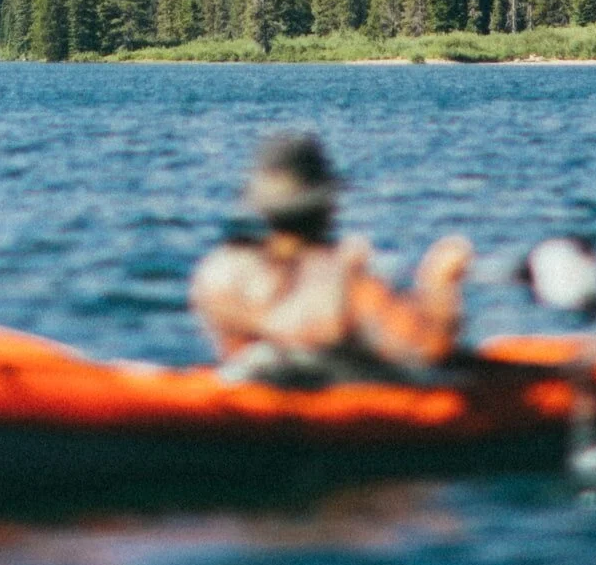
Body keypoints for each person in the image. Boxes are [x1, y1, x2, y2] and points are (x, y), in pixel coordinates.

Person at [189, 131, 473, 385]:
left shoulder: (220, 269)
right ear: (326, 206)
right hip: (342, 397)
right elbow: (429, 349)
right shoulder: (344, 273)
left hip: (259, 389)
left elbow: (242, 345)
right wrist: (439, 284)